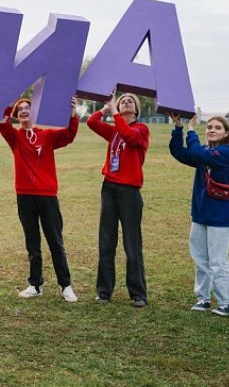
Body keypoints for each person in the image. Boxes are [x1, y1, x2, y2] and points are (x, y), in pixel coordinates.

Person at [0, 97, 79, 302]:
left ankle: (65, 285)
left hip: (47, 195)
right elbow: (2, 120)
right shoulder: (15, 137)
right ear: (17, 115)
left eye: (28, 108)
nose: (24, 111)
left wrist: (72, 112)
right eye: (21, 109)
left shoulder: (48, 135)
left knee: (55, 241)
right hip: (24, 195)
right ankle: (35, 284)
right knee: (32, 242)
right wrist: (11, 96)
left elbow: (69, 135)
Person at [169, 113, 229, 316]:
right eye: (209, 127)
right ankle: (203, 298)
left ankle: (228, 303)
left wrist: (191, 128)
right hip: (201, 214)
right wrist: (178, 128)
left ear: (226, 133)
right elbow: (179, 153)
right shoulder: (206, 152)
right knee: (201, 258)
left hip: (220, 216)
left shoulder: (227, 152)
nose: (211, 130)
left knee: (218, 261)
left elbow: (198, 154)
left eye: (217, 127)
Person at [86, 92, 150, 307]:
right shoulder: (114, 130)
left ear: (137, 109)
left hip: (130, 192)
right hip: (109, 188)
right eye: (122, 100)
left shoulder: (141, 130)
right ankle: (104, 291)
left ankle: (138, 293)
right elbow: (92, 122)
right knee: (106, 241)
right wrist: (105, 109)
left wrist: (114, 112)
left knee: (132, 244)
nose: (125, 102)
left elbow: (129, 136)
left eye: (130, 100)